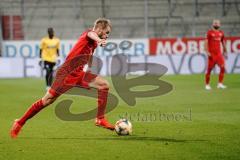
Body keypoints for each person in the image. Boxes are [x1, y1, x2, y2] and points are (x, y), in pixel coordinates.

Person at [10, 18, 114, 138]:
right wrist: (99, 39)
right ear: (100, 29)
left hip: (79, 73)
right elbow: (92, 34)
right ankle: (20, 122)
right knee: (47, 101)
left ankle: (100, 119)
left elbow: (86, 55)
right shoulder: (89, 34)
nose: (107, 35)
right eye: (106, 32)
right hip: (66, 74)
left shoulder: (94, 43)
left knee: (104, 85)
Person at [205, 19, 227, 90]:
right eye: (215, 23)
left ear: (220, 25)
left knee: (223, 68)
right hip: (212, 54)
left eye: (217, 23)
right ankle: (207, 85)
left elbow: (223, 42)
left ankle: (220, 84)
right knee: (209, 70)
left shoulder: (221, 33)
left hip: (219, 54)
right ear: (213, 24)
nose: (216, 24)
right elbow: (205, 42)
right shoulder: (209, 33)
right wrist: (207, 51)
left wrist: (225, 51)